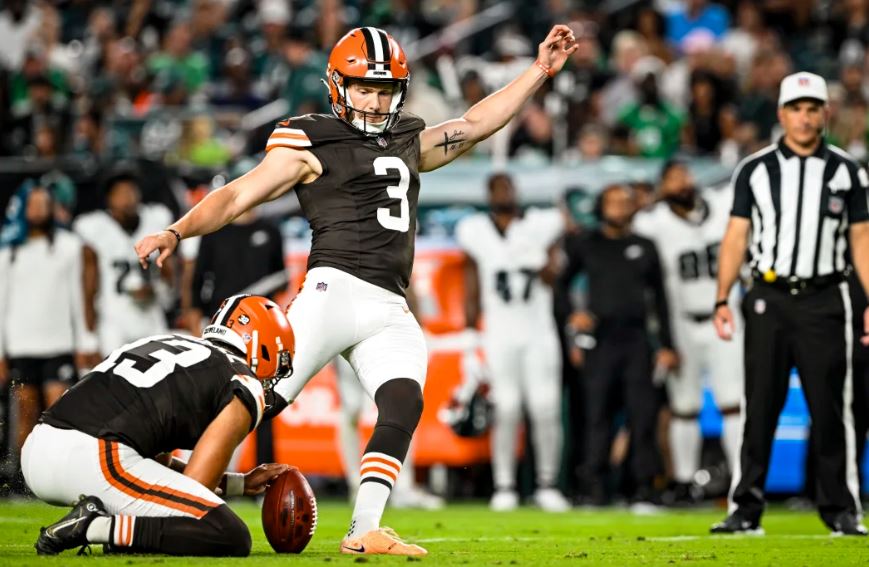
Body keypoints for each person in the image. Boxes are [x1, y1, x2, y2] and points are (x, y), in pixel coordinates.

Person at [135, 25, 578, 556]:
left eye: (385, 89)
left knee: (402, 403)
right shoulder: (308, 137)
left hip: (390, 302)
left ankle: (364, 527)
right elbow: (236, 196)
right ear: (336, 86)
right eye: (364, 88)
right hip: (333, 290)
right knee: (254, 399)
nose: (374, 100)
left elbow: (474, 125)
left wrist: (538, 72)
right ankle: (165, 483)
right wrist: (176, 230)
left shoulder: (408, 137)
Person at [712, 72, 869, 536]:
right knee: (759, 404)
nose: (805, 117)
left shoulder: (847, 170)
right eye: (797, 108)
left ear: (825, 113)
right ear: (781, 114)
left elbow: (861, 241)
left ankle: (841, 509)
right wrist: (722, 296)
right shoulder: (755, 169)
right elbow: (735, 236)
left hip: (826, 297)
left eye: (813, 108)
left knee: (832, 409)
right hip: (768, 295)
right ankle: (745, 508)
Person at [22, 294, 294, 556]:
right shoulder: (243, 381)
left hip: (38, 449)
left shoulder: (163, 341)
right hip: (96, 456)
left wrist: (239, 484)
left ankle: (120, 532)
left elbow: (153, 464)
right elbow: (195, 488)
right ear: (265, 346)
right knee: (226, 531)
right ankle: (94, 526)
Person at [455, 172, 570, 513]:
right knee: (506, 408)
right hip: (500, 331)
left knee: (545, 407)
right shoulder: (475, 231)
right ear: (488, 194)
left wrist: (537, 257)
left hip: (538, 330)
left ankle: (547, 484)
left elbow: (554, 275)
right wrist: (470, 335)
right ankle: (504, 485)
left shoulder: (539, 225)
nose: (504, 192)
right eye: (497, 188)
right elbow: (471, 283)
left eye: (508, 186)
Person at [558, 184, 678, 509]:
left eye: (625, 201)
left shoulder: (645, 246)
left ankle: (642, 488)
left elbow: (661, 299)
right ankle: (594, 489)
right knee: (597, 416)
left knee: (642, 416)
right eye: (612, 201)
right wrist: (574, 317)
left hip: (638, 339)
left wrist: (667, 344)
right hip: (601, 340)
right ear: (601, 206)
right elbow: (561, 285)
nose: (619, 207)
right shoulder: (587, 244)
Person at [633, 161, 743, 504]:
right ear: (661, 187)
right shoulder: (652, 224)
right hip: (680, 321)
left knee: (733, 402)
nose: (682, 181)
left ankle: (742, 480)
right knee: (684, 405)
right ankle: (683, 482)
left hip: (724, 313)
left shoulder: (722, 205)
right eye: (673, 178)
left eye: (685, 175)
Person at [0, 181, 98, 492]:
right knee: (25, 418)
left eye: (45, 204)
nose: (39, 210)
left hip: (59, 344)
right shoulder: (9, 251)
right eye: (34, 204)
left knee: (60, 417)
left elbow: (77, 298)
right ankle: (24, 482)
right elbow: (1, 302)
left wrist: (84, 341)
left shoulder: (69, 246)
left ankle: (61, 476)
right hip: (22, 345)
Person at [74, 171, 175, 355]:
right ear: (109, 199)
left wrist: (158, 289)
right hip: (114, 320)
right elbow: (89, 283)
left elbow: (169, 271)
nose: (128, 199)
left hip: (151, 317)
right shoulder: (95, 227)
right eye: (121, 194)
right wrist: (88, 335)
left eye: (131, 192)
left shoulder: (156, 219)